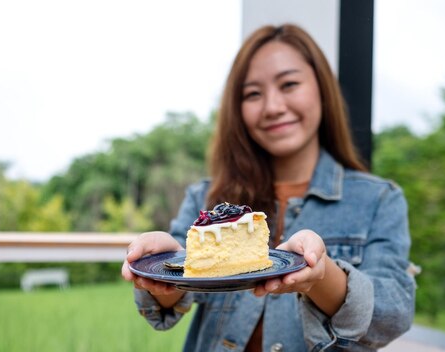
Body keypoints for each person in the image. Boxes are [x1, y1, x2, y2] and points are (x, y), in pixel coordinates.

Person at [122, 23, 415, 351]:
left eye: (289, 84)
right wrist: (162, 268)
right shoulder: (205, 199)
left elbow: (392, 315)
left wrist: (321, 275)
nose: (273, 106)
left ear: (321, 88)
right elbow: (165, 306)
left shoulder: (379, 200)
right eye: (252, 94)